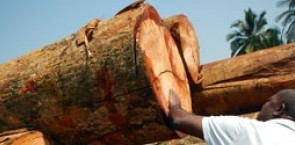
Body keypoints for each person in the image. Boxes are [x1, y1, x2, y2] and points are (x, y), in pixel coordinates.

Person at [167, 89, 295, 145]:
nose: (264, 105)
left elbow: (179, 119)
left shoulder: (247, 130)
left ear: (279, 109)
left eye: (269, 101)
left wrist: (175, 104)